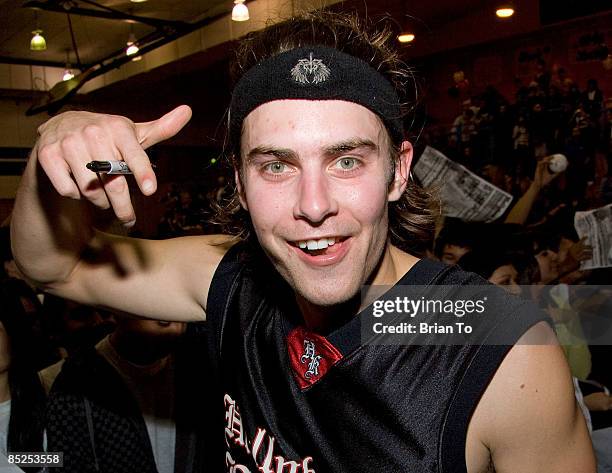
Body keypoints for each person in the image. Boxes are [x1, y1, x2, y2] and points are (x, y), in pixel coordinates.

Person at [11, 11, 594, 472]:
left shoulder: (504, 355)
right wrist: (50, 152)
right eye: (276, 166)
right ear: (239, 183)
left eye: (346, 160)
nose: (314, 206)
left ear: (398, 170)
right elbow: (52, 268)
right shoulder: (230, 281)